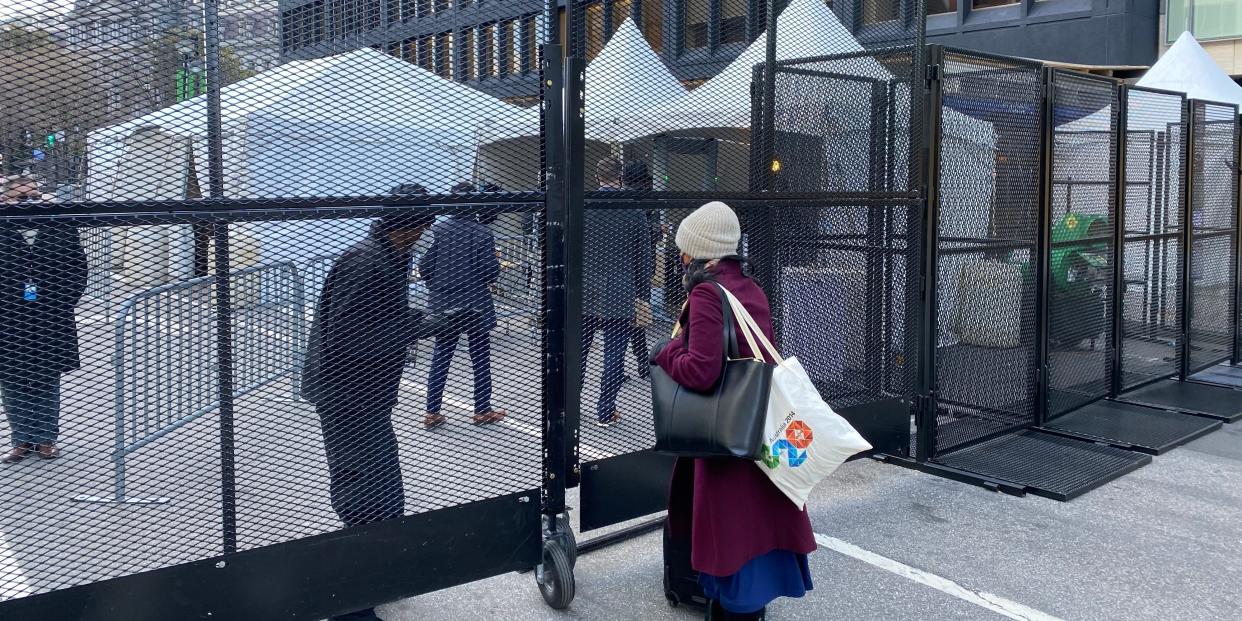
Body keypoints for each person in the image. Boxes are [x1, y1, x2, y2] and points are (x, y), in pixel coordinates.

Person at [653, 201, 815, 620]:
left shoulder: (707, 293)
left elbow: (701, 371)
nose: (681, 257)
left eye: (684, 249)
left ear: (698, 251)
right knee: (752, 537)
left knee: (728, 544)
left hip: (722, 438)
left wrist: (667, 351)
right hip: (753, 428)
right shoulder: (750, 288)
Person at [300, 210, 439, 621]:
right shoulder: (366, 261)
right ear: (410, 226)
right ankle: (350, 604)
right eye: (424, 226)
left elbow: (376, 318)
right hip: (346, 394)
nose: (426, 233)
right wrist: (417, 328)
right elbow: (347, 334)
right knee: (365, 493)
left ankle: (378, 575)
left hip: (367, 396)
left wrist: (426, 320)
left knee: (384, 490)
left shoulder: (390, 255)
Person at [0, 177, 87, 463]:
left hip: (50, 314)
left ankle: (46, 439)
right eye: (21, 198)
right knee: (11, 378)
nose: (29, 202)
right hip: (9, 316)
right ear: (6, 200)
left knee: (47, 377)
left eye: (35, 196)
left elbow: (78, 268)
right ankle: (21, 439)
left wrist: (62, 303)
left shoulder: (60, 225)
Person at [418, 192, 505, 429]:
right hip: (475, 304)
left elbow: (424, 268)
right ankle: (482, 410)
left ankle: (432, 412)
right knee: (480, 357)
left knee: (441, 355)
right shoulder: (483, 233)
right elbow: (490, 272)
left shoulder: (436, 231)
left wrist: (438, 286)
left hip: (443, 303)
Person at [582, 157, 650, 427]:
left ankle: (571, 406)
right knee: (615, 353)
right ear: (620, 177)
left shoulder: (584, 206)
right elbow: (643, 258)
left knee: (579, 352)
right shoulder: (633, 210)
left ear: (598, 176)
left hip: (585, 289)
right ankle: (605, 409)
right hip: (621, 290)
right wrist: (641, 295)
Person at [623, 160, 657, 381]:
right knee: (638, 317)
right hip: (641, 269)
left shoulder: (620, 198)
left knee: (618, 319)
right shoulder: (648, 200)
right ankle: (643, 364)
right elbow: (653, 235)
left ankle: (621, 367)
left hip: (619, 268)